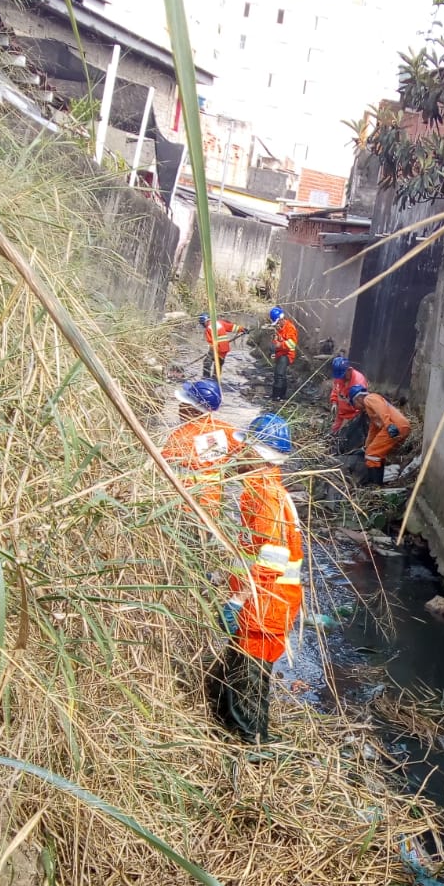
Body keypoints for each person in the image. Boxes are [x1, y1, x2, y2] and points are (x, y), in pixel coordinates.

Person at [210, 414, 304, 745]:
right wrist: (226, 574)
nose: (239, 454)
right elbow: (256, 550)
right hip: (273, 600)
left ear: (256, 452)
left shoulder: (262, 493)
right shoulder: (270, 487)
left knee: (249, 683)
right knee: (240, 675)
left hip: (265, 605)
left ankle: (253, 745)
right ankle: (241, 733)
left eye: (245, 448)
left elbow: (270, 558)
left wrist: (236, 601)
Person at [160, 379, 242, 515]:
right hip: (214, 504)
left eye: (184, 403)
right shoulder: (226, 430)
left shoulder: (180, 437)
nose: (179, 406)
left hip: (185, 507)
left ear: (193, 409)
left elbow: (161, 470)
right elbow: (245, 457)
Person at [347, 385, 411, 485]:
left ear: (358, 398)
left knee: (372, 454)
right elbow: (373, 429)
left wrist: (389, 424)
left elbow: (381, 409)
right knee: (376, 454)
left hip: (394, 426)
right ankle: (378, 484)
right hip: (401, 427)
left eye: (354, 404)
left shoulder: (369, 398)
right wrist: (366, 446)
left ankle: (375, 486)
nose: (356, 408)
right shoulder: (370, 410)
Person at [328, 355, 368, 436]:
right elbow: (336, 389)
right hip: (341, 414)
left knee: (343, 436)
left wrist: (349, 420)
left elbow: (361, 406)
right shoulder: (340, 376)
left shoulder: (358, 382)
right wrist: (334, 402)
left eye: (342, 376)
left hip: (352, 416)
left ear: (349, 370)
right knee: (333, 434)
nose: (341, 379)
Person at [199, 312, 245, 377]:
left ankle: (206, 379)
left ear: (205, 321)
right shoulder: (219, 323)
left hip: (217, 348)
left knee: (206, 363)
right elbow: (232, 327)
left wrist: (210, 353)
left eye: (202, 323)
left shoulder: (208, 328)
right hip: (224, 349)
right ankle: (216, 380)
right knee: (218, 365)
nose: (203, 325)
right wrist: (242, 329)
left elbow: (211, 342)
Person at [268, 305, 299, 401]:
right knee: (282, 375)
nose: (276, 325)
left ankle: (276, 396)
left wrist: (279, 345)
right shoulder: (279, 328)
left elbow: (292, 344)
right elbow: (275, 341)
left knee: (279, 375)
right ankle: (282, 395)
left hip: (287, 355)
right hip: (280, 354)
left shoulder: (290, 328)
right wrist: (273, 349)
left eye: (277, 323)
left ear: (282, 319)